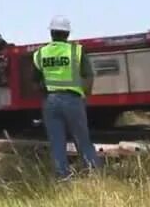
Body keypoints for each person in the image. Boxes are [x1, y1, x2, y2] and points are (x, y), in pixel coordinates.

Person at [32, 15, 102, 179]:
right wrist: (86, 95)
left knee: (57, 142)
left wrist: (47, 93)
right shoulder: (76, 51)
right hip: (72, 100)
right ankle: (93, 176)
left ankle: (62, 178)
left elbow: (35, 83)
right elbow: (88, 76)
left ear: (51, 33)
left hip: (50, 101)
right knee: (82, 140)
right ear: (67, 34)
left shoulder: (40, 53)